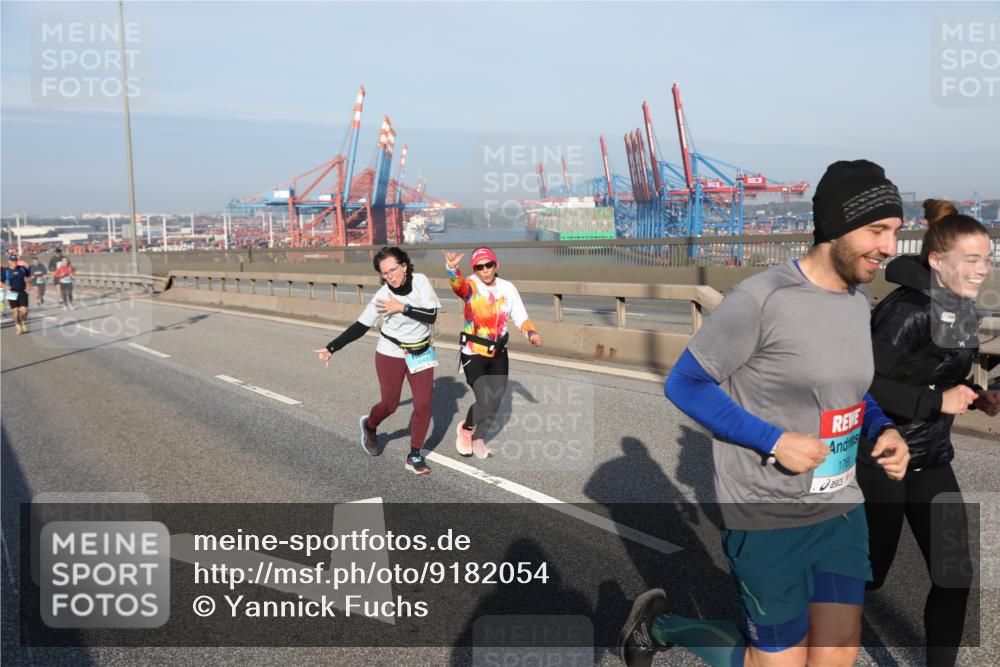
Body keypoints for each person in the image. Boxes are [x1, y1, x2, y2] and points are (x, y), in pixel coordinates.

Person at [619, 160, 911, 667]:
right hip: (766, 513)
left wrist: (883, 429)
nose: (890, 248)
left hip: (840, 505)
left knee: (836, 657)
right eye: (878, 231)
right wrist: (774, 440)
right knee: (776, 662)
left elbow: (849, 391)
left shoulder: (857, 303)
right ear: (838, 226)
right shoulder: (760, 298)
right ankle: (662, 627)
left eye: (895, 233)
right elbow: (685, 383)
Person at [858, 198, 997, 667]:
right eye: (972, 260)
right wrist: (936, 402)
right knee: (869, 576)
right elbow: (860, 384)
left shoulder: (960, 307)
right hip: (883, 458)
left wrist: (979, 394)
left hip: (931, 458)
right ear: (938, 260)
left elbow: (939, 371)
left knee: (956, 575)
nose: (983, 269)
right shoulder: (908, 312)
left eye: (988, 259)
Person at [313, 246, 441, 475]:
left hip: (421, 350)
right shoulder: (382, 296)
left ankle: (414, 455)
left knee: (423, 405)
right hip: (390, 352)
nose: (389, 276)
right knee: (390, 405)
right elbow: (361, 326)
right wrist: (333, 347)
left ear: (404, 265)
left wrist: (402, 307)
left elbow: (431, 315)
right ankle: (370, 426)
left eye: (393, 270)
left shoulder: (421, 281)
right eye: (384, 273)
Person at [443, 247, 541, 459]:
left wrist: (531, 334)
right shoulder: (470, 285)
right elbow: (458, 288)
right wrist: (452, 269)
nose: (485, 270)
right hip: (473, 351)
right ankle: (466, 429)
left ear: (496, 265)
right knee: (485, 399)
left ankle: (479, 438)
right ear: (474, 270)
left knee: (495, 401)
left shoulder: (508, 288)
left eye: (489, 265)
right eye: (480, 267)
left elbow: (520, 316)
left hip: (499, 352)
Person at [2, 254, 32, 334]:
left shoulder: (22, 269)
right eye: (12, 261)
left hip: (22, 291)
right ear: (9, 261)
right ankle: (18, 326)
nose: (14, 262)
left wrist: (28, 284)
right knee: (15, 312)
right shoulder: (5, 271)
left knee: (24, 311)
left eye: (15, 260)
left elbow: (28, 276)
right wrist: (5, 286)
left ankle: (23, 323)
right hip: (11, 293)